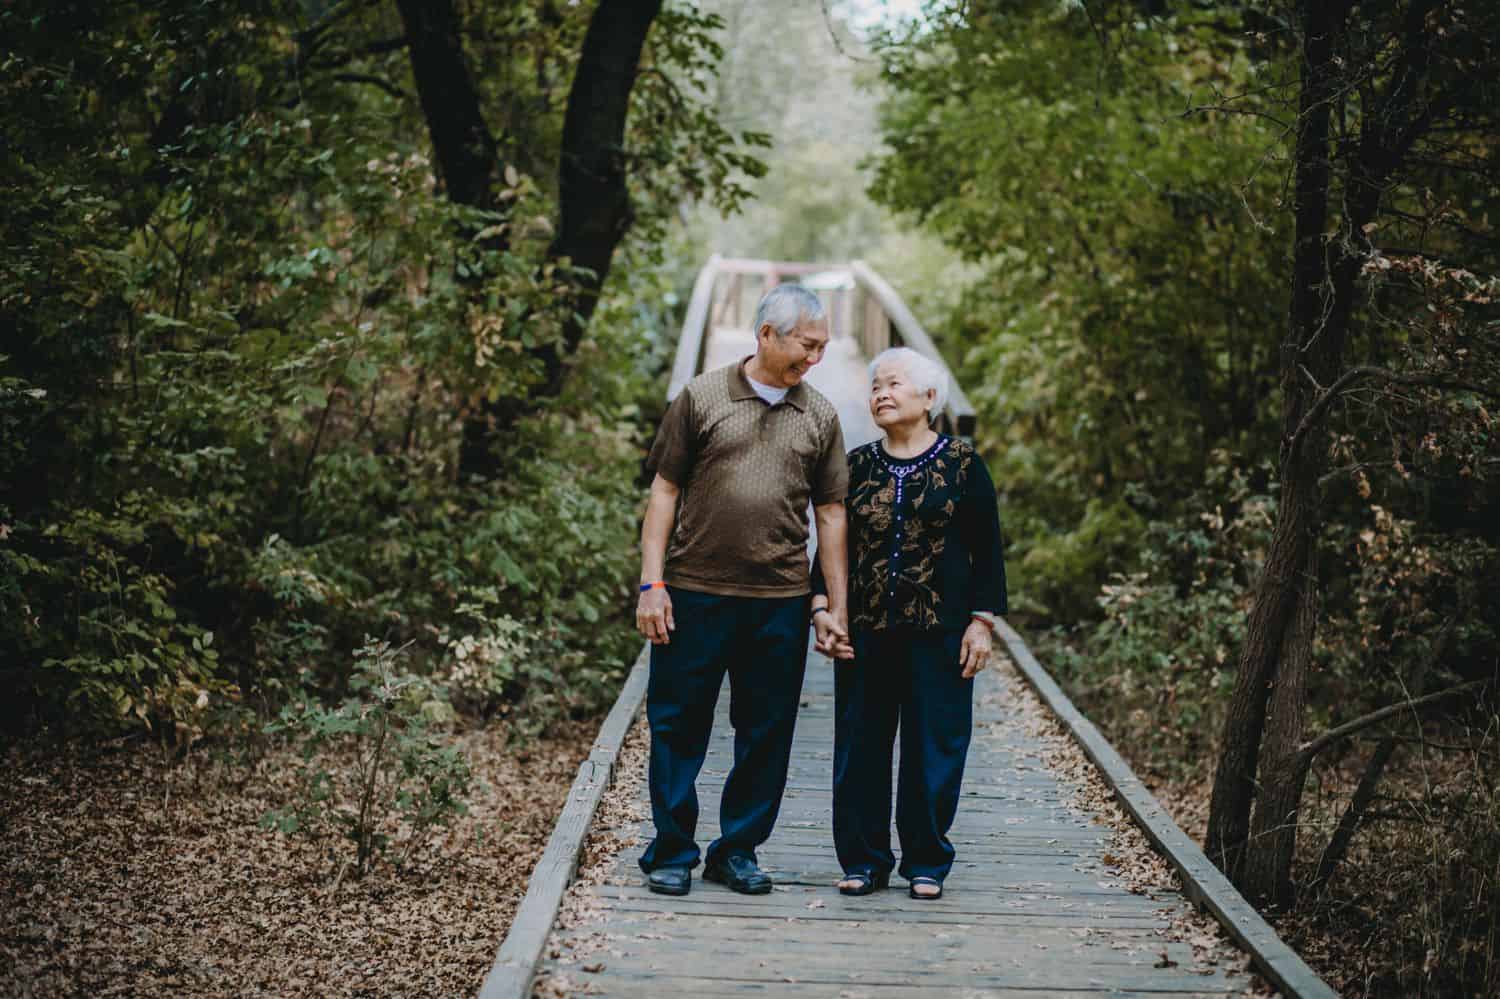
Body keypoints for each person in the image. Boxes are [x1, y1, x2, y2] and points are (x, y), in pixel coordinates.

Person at [635, 284, 851, 897]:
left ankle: (737, 850)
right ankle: (672, 849)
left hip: (778, 601)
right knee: (678, 725)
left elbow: (832, 514)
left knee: (767, 730)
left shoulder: (821, 415)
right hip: (695, 592)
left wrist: (834, 607)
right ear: (767, 335)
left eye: (823, 348)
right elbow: (664, 493)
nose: (815, 359)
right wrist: (653, 584)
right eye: (807, 346)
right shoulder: (701, 397)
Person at [811, 346, 1007, 901]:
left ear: (928, 397)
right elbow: (833, 544)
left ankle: (926, 859)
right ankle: (865, 859)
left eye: (894, 384)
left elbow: (987, 551)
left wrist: (981, 623)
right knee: (860, 746)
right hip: (866, 631)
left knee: (934, 747)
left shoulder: (963, 464)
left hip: (940, 633)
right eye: (875, 386)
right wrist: (824, 607)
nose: (881, 393)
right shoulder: (858, 464)